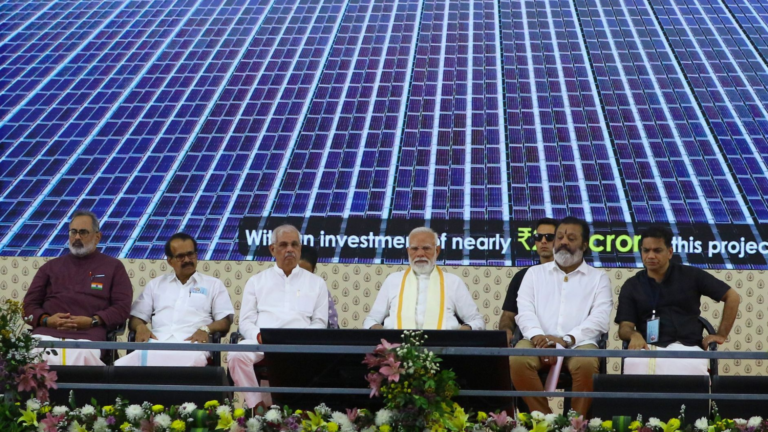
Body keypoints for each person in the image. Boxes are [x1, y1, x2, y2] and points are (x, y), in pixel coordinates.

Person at [509, 216, 613, 415]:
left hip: (579, 343)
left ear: (584, 244)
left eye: (571, 238)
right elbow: (525, 310)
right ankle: (545, 420)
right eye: (560, 237)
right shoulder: (533, 273)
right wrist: (538, 337)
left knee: (587, 363)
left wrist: (566, 339)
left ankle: (575, 424)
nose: (564, 242)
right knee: (517, 358)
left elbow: (600, 319)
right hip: (536, 341)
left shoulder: (598, 278)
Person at [228, 224, 329, 409]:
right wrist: (260, 337)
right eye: (283, 245)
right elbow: (246, 321)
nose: (289, 249)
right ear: (273, 249)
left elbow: (320, 323)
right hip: (263, 342)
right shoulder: (256, 281)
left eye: (294, 245)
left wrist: (302, 339)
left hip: (300, 345)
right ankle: (257, 407)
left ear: (299, 248)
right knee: (236, 354)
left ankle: (306, 412)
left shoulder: (317, 283)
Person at [616, 226, 739, 375]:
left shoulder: (691, 275)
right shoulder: (632, 285)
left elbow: (732, 297)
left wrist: (721, 335)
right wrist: (633, 335)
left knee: (691, 363)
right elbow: (625, 326)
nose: (650, 256)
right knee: (635, 362)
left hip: (687, 345)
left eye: (657, 250)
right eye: (646, 250)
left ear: (669, 252)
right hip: (649, 345)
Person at [23, 210, 133, 365]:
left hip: (89, 335)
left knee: (82, 356)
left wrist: (92, 321)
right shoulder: (50, 267)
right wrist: (47, 320)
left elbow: (122, 308)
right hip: (47, 332)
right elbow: (29, 305)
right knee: (27, 355)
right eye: (73, 232)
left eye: (83, 232)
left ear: (97, 237)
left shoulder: (114, 267)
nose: (77, 237)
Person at [115, 233, 234, 366]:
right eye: (181, 257)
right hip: (157, 343)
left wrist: (206, 329)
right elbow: (136, 317)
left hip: (193, 344)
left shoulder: (213, 284)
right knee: (123, 366)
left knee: (191, 364)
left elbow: (224, 321)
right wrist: (140, 326)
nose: (187, 260)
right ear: (170, 261)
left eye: (191, 254)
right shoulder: (156, 284)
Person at [363, 226, 485, 330]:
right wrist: (379, 331)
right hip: (397, 352)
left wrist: (463, 331)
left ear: (437, 250)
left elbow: (477, 321)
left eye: (426, 248)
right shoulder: (393, 280)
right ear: (408, 251)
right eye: (415, 249)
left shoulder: (453, 282)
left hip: (443, 351)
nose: (420, 254)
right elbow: (371, 320)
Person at [499, 218, 558, 346]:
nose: (543, 241)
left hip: (562, 338)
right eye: (538, 237)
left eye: (549, 237)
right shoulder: (522, 276)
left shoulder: (571, 275)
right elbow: (508, 315)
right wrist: (506, 330)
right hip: (530, 339)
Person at [298, 246, 340, 329]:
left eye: (306, 272)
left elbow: (332, 322)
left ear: (313, 270)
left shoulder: (319, 289)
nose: (302, 275)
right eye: (298, 271)